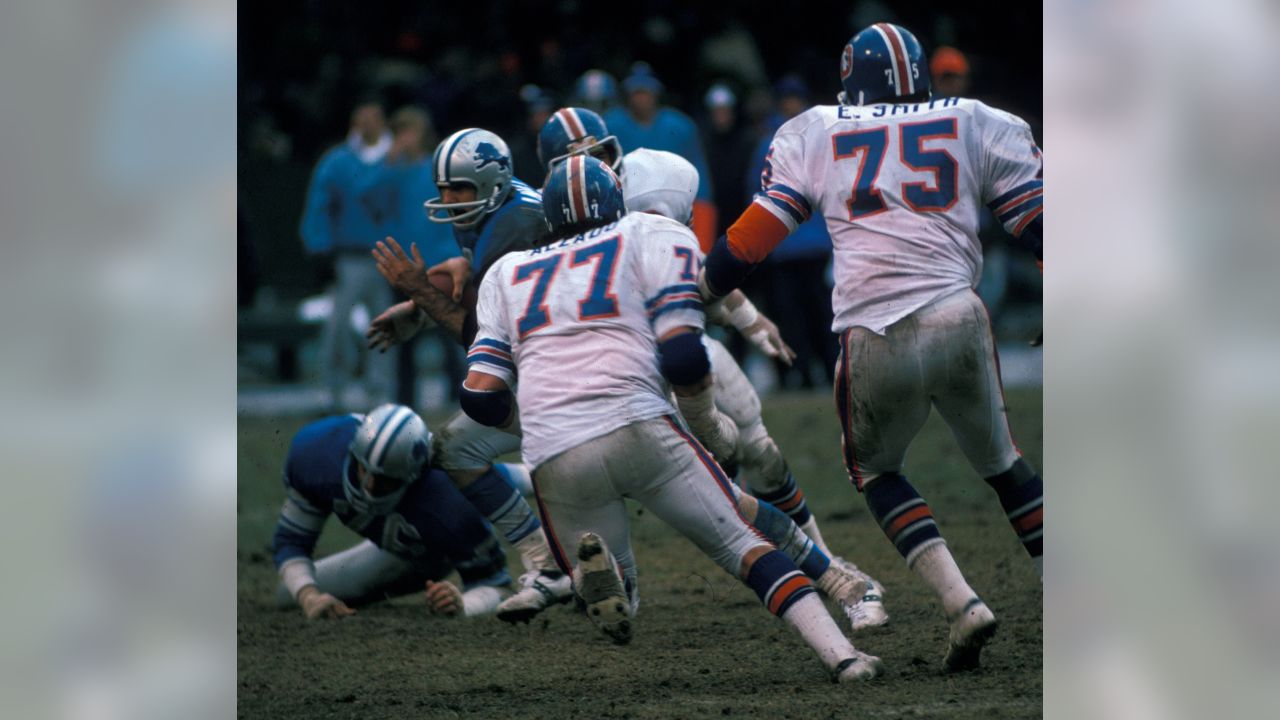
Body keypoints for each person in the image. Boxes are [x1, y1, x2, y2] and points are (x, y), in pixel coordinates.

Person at [699, 22, 1044, 672]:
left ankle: (963, 602)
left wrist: (704, 287)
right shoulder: (973, 118)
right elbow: (1037, 220)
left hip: (872, 327)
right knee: (1005, 467)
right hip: (957, 310)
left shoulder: (817, 129)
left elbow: (753, 238)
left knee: (876, 472)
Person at [460, 154, 882, 682]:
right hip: (640, 420)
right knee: (744, 544)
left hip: (556, 449)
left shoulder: (506, 271)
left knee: (625, 596)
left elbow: (479, 397)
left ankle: (602, 575)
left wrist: (537, 424)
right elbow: (684, 356)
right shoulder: (645, 233)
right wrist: (707, 427)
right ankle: (842, 656)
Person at [368, 129, 573, 623]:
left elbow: (480, 335)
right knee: (456, 449)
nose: (447, 200)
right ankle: (544, 561)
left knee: (565, 466)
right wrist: (420, 304)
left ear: (493, 182)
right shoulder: (498, 211)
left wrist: (419, 290)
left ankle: (562, 570)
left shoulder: (516, 225)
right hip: (549, 363)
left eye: (458, 189)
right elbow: (477, 288)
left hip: (569, 376)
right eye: (442, 189)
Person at [272, 405, 513, 619]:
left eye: (384, 480)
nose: (369, 486)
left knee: (518, 483)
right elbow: (291, 541)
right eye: (363, 470)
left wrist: (463, 605)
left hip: (429, 556)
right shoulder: (321, 452)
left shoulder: (449, 496)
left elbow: (497, 585)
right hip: (396, 541)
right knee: (288, 594)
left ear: (414, 475)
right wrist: (309, 597)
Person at [354, 106, 464, 406]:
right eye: (401, 132)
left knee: (448, 331)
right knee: (404, 333)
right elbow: (364, 195)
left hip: (437, 264)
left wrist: (449, 257)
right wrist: (389, 162)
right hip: (403, 269)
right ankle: (406, 401)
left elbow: (453, 214)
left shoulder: (435, 169)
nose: (407, 138)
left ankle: (459, 394)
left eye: (411, 131)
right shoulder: (393, 172)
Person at [299, 99, 395, 409]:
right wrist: (320, 248)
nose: (367, 125)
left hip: (388, 257)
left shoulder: (395, 160)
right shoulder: (338, 162)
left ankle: (379, 391)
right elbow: (320, 205)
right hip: (350, 256)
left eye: (373, 119)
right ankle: (331, 388)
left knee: (386, 327)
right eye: (361, 119)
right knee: (338, 326)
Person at [745, 76, 839, 389]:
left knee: (823, 315)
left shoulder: (819, 137)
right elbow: (757, 192)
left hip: (815, 244)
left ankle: (830, 371)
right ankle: (802, 377)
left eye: (795, 99)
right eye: (787, 99)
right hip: (785, 244)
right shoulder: (773, 141)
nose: (791, 105)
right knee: (792, 318)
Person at [603, 65, 718, 250]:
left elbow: (701, 183)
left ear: (656, 93)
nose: (641, 98)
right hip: (627, 214)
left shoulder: (681, 126)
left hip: (674, 215)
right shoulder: (611, 125)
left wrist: (703, 239)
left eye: (646, 92)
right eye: (636, 92)